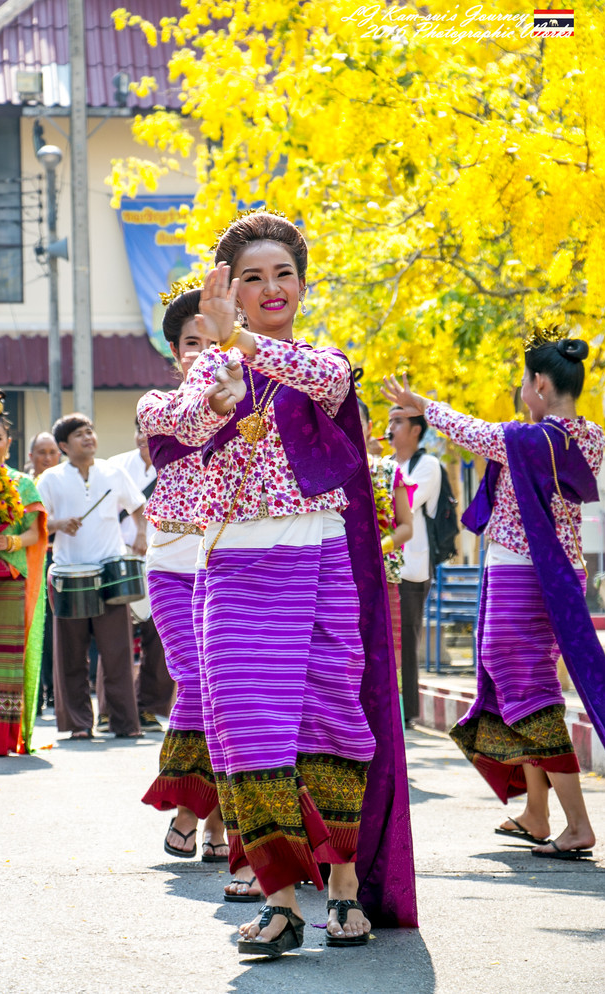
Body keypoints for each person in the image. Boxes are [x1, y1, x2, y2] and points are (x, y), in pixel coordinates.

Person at [174, 211, 416, 957]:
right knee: (245, 734)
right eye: (251, 278)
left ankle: (343, 891)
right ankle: (279, 901)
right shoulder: (211, 367)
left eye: (283, 274)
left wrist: (241, 344)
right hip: (237, 574)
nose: (270, 287)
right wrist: (212, 390)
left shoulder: (323, 362)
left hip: (320, 568)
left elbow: (322, 378)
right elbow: (181, 427)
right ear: (229, 290)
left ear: (303, 286)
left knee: (330, 724)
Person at [382, 326, 605, 860]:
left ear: (540, 385)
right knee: (517, 679)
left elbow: (471, 430)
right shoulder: (587, 436)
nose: (520, 388)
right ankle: (536, 811)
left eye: (524, 380)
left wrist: (423, 405)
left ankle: (575, 822)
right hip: (548, 571)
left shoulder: (532, 440)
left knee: (526, 685)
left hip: (525, 573)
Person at [138, 286, 231, 868]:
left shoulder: (248, 404)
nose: (201, 353)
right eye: (190, 344)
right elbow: (188, 421)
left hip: (226, 564)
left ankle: (209, 818)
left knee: (227, 693)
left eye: (212, 341)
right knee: (194, 681)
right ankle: (191, 813)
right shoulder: (156, 404)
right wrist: (212, 388)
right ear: (174, 353)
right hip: (173, 564)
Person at [37, 414, 145, 740]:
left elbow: (138, 506)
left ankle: (125, 724)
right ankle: (79, 725)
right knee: (71, 656)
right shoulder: (50, 479)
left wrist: (140, 535)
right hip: (69, 575)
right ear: (64, 446)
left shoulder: (114, 471)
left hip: (111, 573)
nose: (88, 437)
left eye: (90, 431)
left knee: (118, 655)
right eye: (79, 434)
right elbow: (37, 522)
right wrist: (58, 524)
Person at [0, 392, 48, 755]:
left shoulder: (23, 483)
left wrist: (12, 542)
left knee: (5, 657)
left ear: (9, 442)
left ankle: (0, 740)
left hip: (10, 577)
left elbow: (36, 534)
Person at [108, 423, 174, 731]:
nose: (142, 436)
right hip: (120, 560)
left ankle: (150, 708)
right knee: (115, 635)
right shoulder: (116, 466)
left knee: (160, 635)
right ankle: (110, 711)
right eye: (138, 429)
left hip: (164, 557)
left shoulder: (176, 462)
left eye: (149, 430)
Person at [387, 402, 442, 727]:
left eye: (398, 422)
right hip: (386, 566)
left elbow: (402, 504)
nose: (390, 428)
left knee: (406, 639)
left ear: (416, 429)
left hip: (411, 568)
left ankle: (406, 715)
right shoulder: (387, 464)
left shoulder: (428, 465)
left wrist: (386, 484)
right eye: (390, 421)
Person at [358, 400, 414, 682]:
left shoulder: (388, 471)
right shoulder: (323, 474)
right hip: (338, 578)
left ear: (369, 428)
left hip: (382, 577)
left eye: (356, 421)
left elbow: (406, 527)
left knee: (384, 664)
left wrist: (379, 547)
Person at [28, 431, 61, 715]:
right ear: (31, 457)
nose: (47, 458)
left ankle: (54, 693)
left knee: (54, 630)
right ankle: (36, 696)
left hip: (57, 559)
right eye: (42, 452)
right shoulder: (26, 485)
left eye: (52, 452)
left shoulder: (64, 480)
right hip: (32, 560)